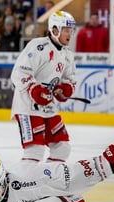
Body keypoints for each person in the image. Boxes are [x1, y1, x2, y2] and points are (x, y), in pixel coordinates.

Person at [10, 11, 77, 163]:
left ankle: (48, 180)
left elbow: (70, 79)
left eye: (71, 31)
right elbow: (19, 72)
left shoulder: (68, 55)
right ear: (55, 30)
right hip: (27, 106)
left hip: (47, 107)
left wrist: (64, 89)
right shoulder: (38, 47)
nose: (70, 34)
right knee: (35, 150)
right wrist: (35, 89)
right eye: (66, 30)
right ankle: (24, 184)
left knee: (62, 147)